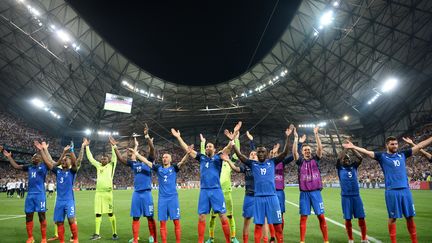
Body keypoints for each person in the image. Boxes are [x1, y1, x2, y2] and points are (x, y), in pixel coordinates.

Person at [343, 135, 432, 243]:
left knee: (410, 217)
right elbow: (367, 152)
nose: (395, 146)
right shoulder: (382, 156)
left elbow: (420, 145)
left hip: (405, 190)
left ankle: (414, 241)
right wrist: (354, 147)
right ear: (387, 145)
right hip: (392, 191)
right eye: (392, 144)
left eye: (396, 144)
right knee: (393, 218)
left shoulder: (402, 154)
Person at [232, 125, 294, 243]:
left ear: (266, 154)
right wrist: (233, 143)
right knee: (258, 226)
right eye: (258, 152)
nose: (260, 153)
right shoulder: (252, 164)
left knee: (277, 226)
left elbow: (285, 152)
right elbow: (240, 156)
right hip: (258, 198)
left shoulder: (272, 161)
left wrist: (287, 137)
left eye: (262, 152)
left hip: (272, 197)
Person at [171, 128, 231, 243]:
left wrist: (231, 139)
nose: (208, 147)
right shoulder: (202, 158)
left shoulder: (219, 157)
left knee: (222, 216)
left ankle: (228, 241)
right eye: (207, 146)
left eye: (210, 146)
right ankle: (200, 241)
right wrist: (179, 137)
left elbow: (228, 148)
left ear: (214, 149)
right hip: (204, 191)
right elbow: (187, 150)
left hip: (216, 190)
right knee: (201, 217)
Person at [131, 146, 192, 243]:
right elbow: (147, 162)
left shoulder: (174, 168)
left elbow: (182, 162)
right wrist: (137, 154)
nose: (164, 158)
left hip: (173, 198)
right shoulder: (158, 168)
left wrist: (188, 154)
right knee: (162, 224)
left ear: (170, 159)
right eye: (163, 157)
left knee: (176, 222)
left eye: (167, 157)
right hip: (162, 199)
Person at [113, 126, 158, 243]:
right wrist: (115, 147)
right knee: (136, 217)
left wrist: (147, 136)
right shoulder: (134, 165)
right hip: (137, 194)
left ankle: (152, 236)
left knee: (150, 216)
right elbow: (121, 159)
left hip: (147, 193)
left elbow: (152, 149)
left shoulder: (149, 162)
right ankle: (135, 238)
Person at [204, 121, 242, 243]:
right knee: (213, 218)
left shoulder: (230, 161)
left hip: (226, 193)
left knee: (230, 216)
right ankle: (211, 237)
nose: (222, 154)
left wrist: (236, 138)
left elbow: (238, 151)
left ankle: (233, 237)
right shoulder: (215, 163)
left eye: (223, 153)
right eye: (220, 153)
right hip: (215, 193)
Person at [35, 141, 80, 243]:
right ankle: (62, 241)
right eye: (63, 160)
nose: (63, 161)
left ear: (70, 163)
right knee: (59, 222)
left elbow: (75, 162)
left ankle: (76, 239)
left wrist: (71, 151)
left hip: (69, 201)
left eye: (66, 160)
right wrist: (41, 150)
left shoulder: (72, 171)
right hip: (59, 201)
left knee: (71, 220)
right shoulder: (58, 171)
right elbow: (48, 162)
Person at [2, 145, 48, 243]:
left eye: (36, 157)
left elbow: (49, 161)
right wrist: (9, 157)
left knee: (42, 216)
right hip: (30, 195)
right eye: (33, 157)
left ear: (41, 159)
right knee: (28, 215)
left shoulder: (44, 166)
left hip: (40, 195)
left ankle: (44, 238)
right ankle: (30, 237)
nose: (34, 158)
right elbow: (16, 166)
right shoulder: (29, 167)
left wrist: (42, 150)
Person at [292, 126, 329, 243]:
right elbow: (294, 153)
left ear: (310, 151)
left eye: (308, 149)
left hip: (316, 193)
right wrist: (296, 139)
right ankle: (302, 241)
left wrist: (316, 134)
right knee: (303, 218)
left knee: (321, 217)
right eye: (305, 150)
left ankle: (326, 240)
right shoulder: (300, 162)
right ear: (302, 152)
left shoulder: (316, 160)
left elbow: (320, 148)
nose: (307, 151)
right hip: (304, 194)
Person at [84, 137, 119, 240]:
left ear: (108, 160)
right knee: (98, 213)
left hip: (108, 193)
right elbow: (90, 158)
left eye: (105, 158)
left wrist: (113, 146)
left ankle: (115, 233)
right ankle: (97, 234)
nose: (103, 159)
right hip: (98, 193)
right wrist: (87, 147)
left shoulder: (111, 165)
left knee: (110, 213)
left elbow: (114, 157)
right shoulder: (98, 166)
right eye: (102, 158)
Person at [336, 144, 368, 243]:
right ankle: (350, 239)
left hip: (356, 196)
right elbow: (338, 158)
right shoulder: (340, 168)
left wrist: (352, 148)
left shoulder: (354, 167)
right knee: (348, 218)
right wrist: (346, 149)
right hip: (346, 197)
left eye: (348, 159)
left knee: (361, 217)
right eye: (345, 159)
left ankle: (364, 238)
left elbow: (360, 157)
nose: (347, 160)